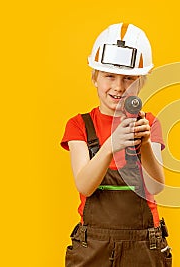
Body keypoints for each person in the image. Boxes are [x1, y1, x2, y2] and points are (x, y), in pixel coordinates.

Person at [61, 22, 172, 267]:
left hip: (145, 245)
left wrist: (143, 145)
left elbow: (156, 186)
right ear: (94, 77)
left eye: (129, 79)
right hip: (92, 247)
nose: (118, 87)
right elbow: (85, 185)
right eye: (109, 76)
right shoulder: (79, 125)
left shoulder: (149, 123)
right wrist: (110, 145)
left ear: (141, 82)